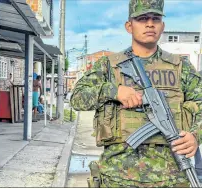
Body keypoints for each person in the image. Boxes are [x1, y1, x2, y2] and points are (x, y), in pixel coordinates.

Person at [70, 0, 201, 187]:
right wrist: (114, 91)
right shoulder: (108, 65)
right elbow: (77, 98)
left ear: (162, 26)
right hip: (117, 177)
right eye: (142, 19)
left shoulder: (181, 67)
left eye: (156, 19)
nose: (150, 24)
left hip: (172, 178)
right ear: (129, 26)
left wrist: (195, 135)